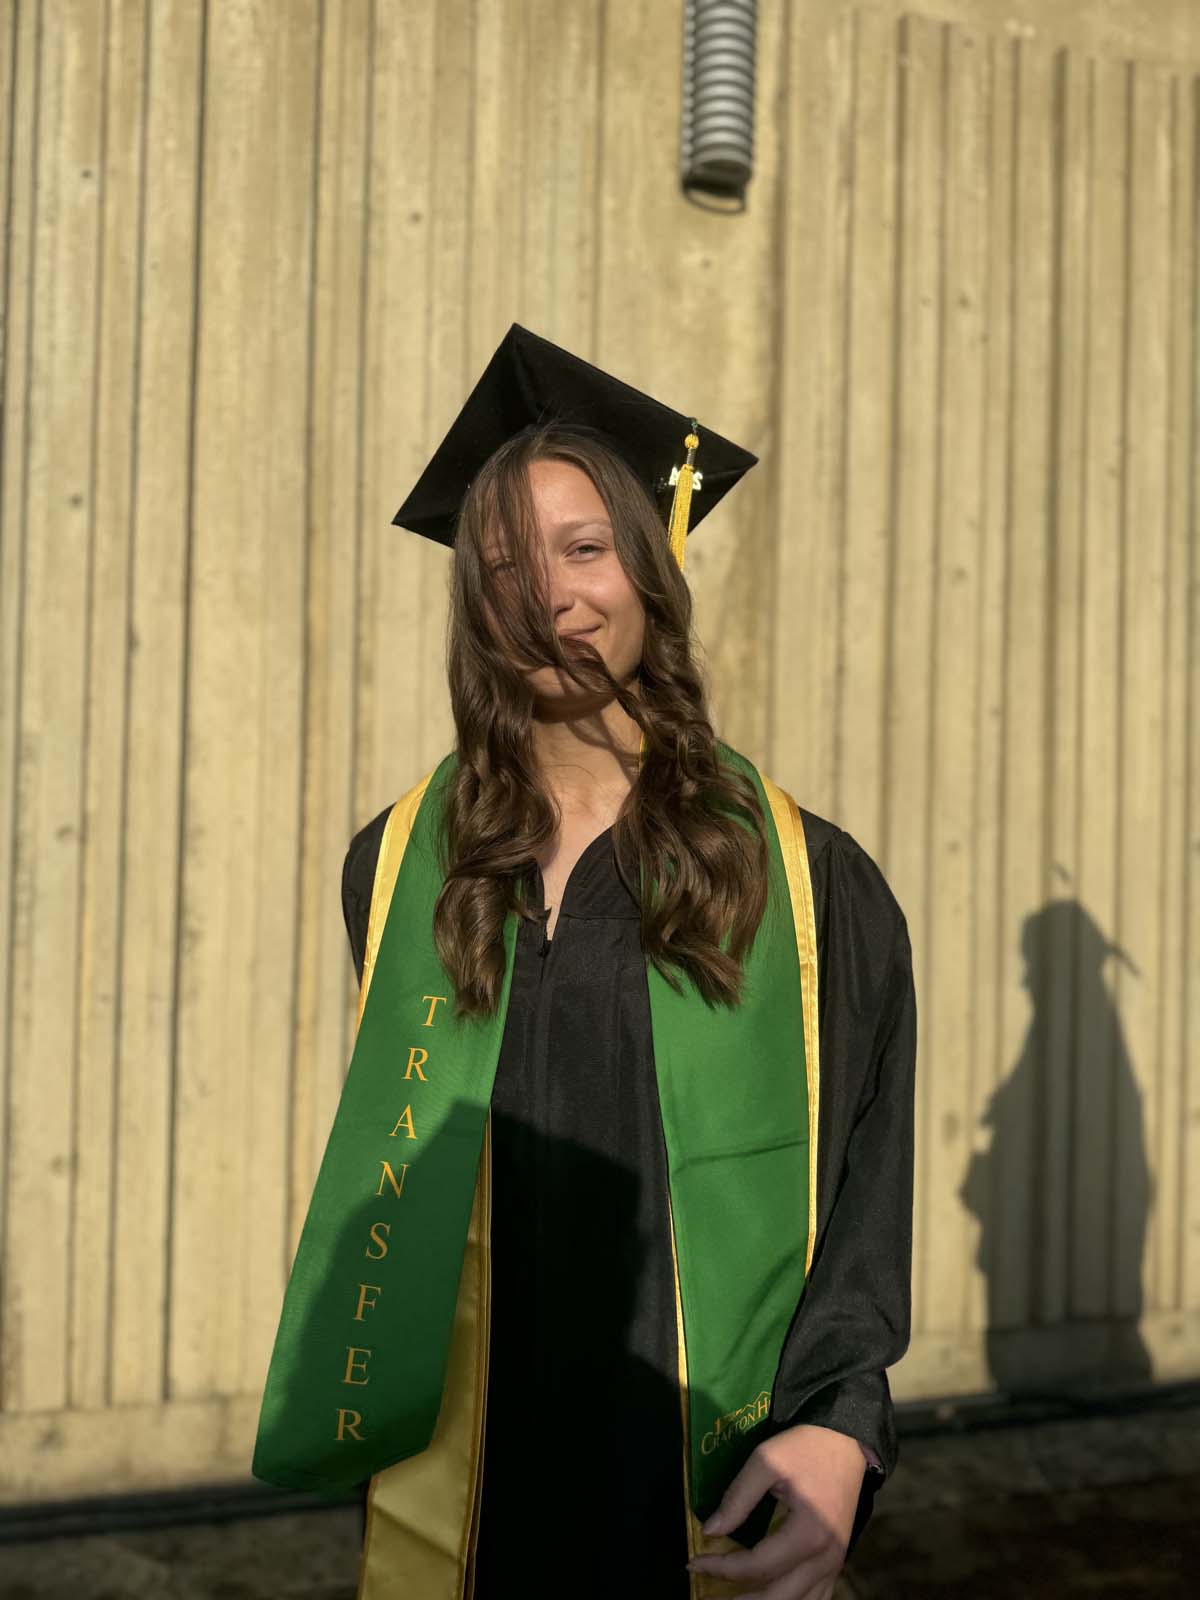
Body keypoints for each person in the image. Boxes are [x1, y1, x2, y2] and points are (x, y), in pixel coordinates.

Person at [254, 325, 916, 1600]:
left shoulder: (802, 879)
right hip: (475, 1493)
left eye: (585, 546)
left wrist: (843, 1424)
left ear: (649, 567)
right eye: (504, 564)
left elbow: (864, 1175)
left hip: (692, 1483)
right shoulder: (400, 869)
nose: (550, 595)